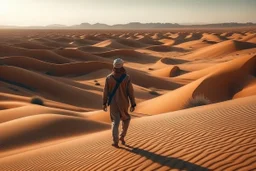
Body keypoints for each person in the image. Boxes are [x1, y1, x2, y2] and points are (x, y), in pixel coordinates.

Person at [103, 58, 136, 147]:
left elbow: (105, 92)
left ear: (114, 66)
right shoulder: (126, 78)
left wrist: (104, 103)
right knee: (126, 119)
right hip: (124, 103)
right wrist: (133, 103)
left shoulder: (109, 78)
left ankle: (115, 141)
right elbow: (130, 92)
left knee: (115, 122)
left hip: (113, 103)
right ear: (122, 66)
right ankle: (122, 136)